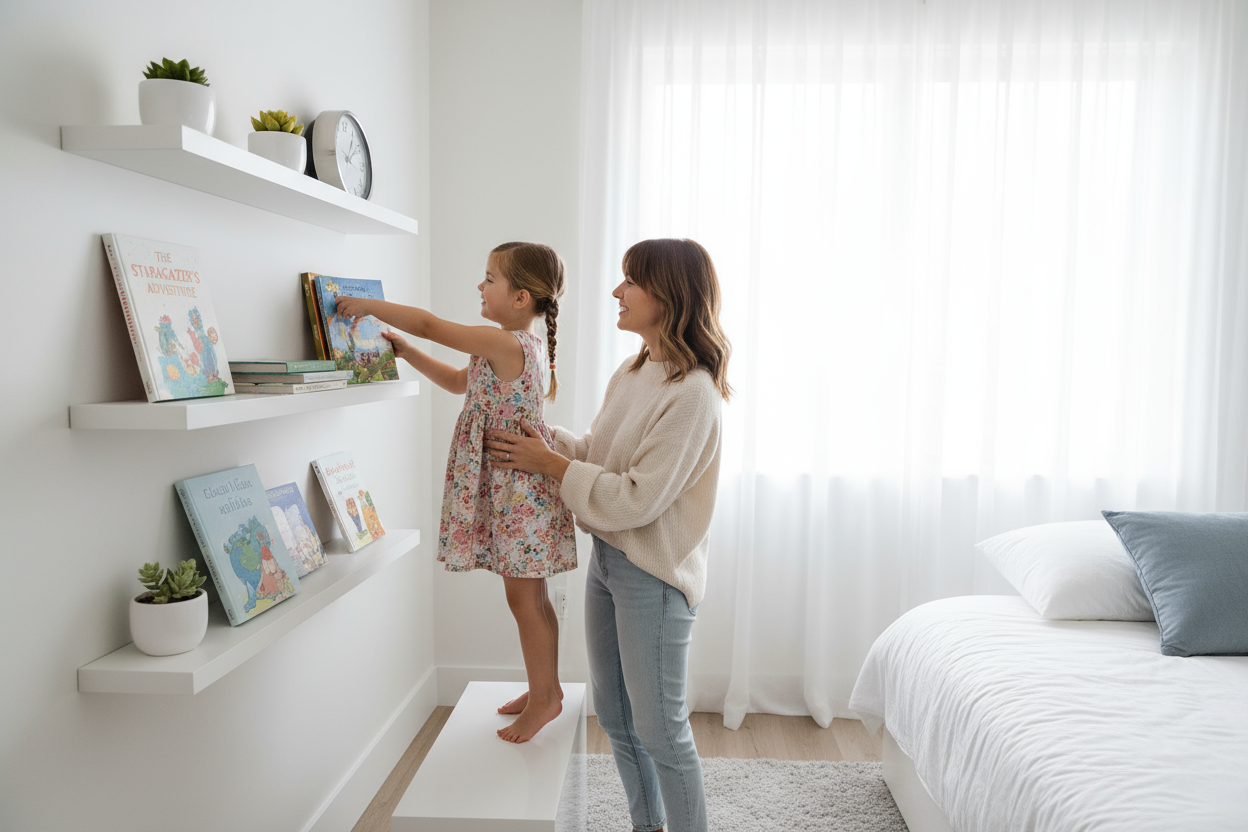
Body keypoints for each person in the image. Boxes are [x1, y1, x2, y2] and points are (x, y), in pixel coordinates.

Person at [486, 238, 731, 832]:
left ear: (667, 296)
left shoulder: (693, 394)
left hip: (654, 575)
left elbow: (638, 498)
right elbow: (601, 453)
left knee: (662, 731)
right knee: (617, 720)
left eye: (630, 282)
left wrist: (554, 467)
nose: (617, 292)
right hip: (609, 560)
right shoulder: (636, 369)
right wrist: (545, 441)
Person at [336, 242, 577, 744]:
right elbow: (456, 382)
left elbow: (428, 322)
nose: (480, 286)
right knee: (531, 597)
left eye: (490, 278)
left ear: (521, 297)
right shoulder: (510, 348)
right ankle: (543, 690)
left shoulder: (506, 342)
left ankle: (545, 698)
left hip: (517, 490)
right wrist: (407, 352)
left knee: (524, 600)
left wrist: (371, 306)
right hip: (514, 487)